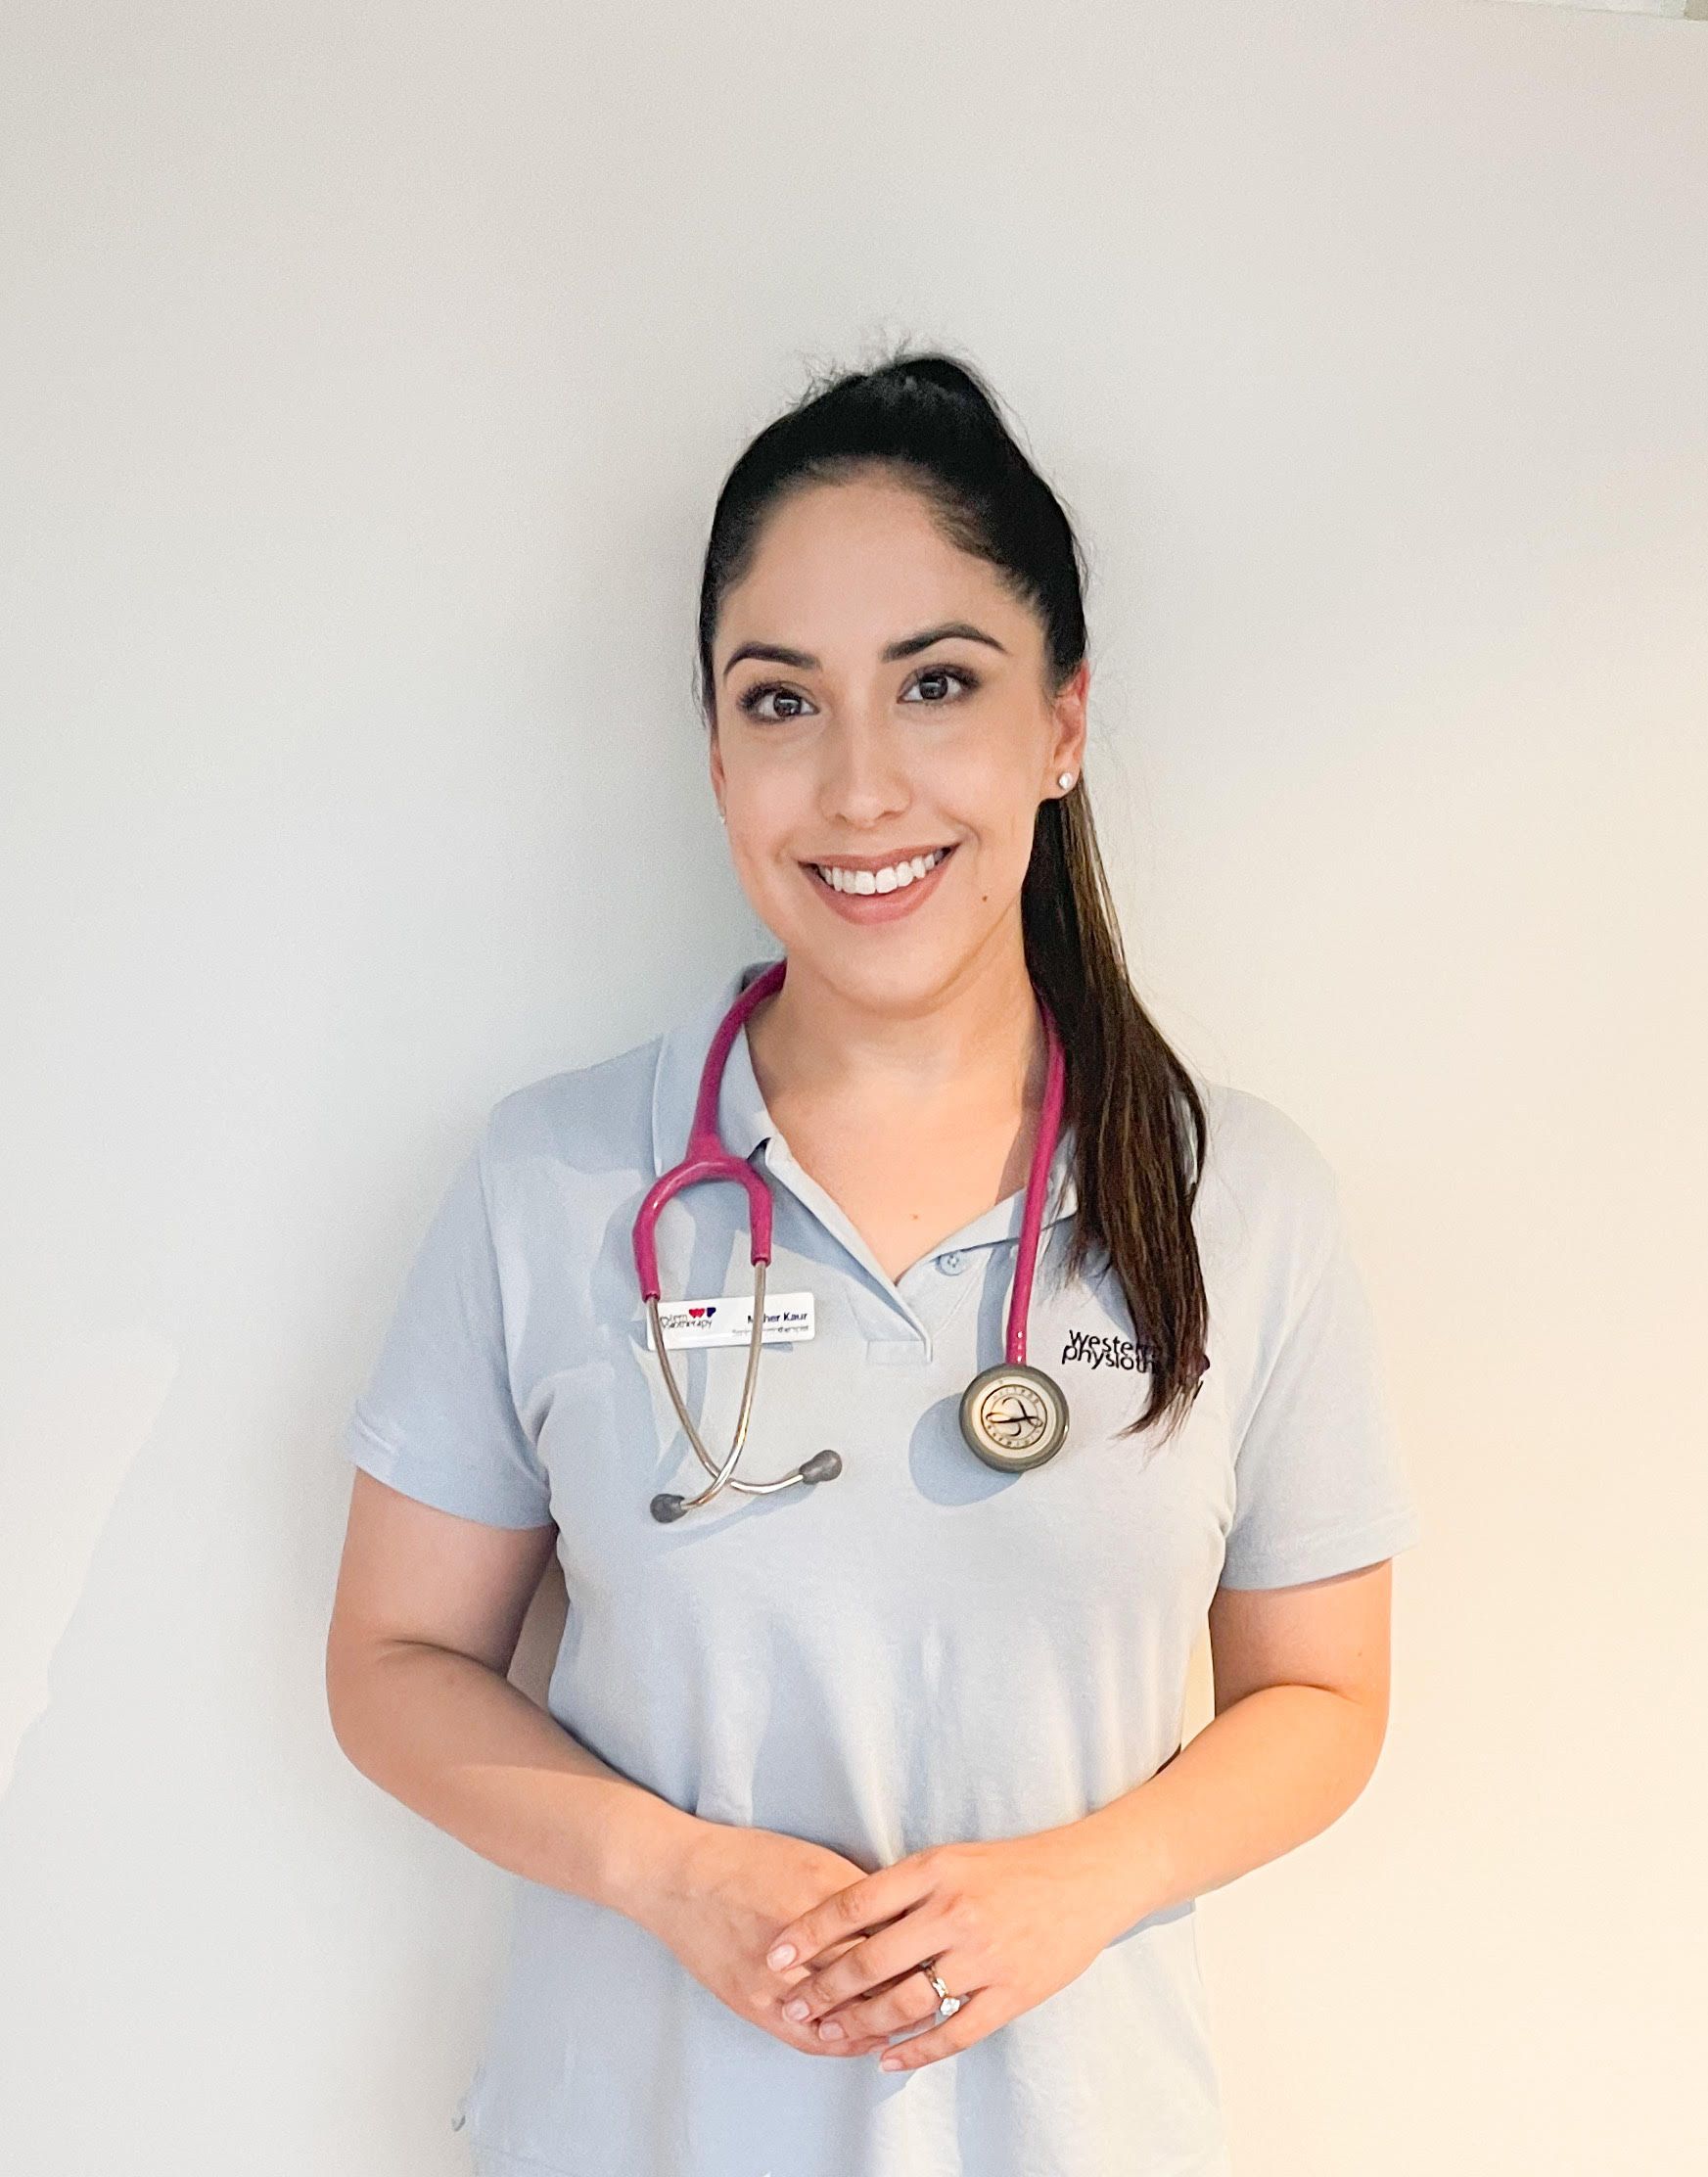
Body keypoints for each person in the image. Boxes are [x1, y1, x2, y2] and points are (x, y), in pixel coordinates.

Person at [325, 348, 1423, 2177]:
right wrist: (675, 1877)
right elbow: (393, 1656)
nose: (857, 785)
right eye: (781, 701)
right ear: (713, 750)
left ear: (1062, 723)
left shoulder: (1236, 1199)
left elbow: (1323, 1694)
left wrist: (1072, 1889)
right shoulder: (554, 1178)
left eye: (937, 684)